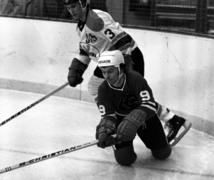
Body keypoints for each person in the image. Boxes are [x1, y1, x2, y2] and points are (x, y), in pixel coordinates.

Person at [63, 0, 191, 146]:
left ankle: (171, 120)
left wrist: (126, 69)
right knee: (97, 87)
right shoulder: (80, 26)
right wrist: (76, 69)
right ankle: (169, 119)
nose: (71, 11)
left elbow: (125, 42)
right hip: (109, 62)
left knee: (131, 97)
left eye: (73, 6)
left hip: (127, 59)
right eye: (68, 7)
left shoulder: (96, 21)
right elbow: (86, 51)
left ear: (84, 4)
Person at [95, 50, 172, 165]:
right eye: (103, 72)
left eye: (110, 71)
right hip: (121, 123)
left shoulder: (135, 79)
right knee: (124, 160)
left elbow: (149, 104)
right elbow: (108, 115)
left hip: (145, 119)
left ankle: (163, 140)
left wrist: (134, 120)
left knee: (162, 154)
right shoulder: (103, 89)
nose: (106, 76)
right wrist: (105, 131)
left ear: (120, 68)